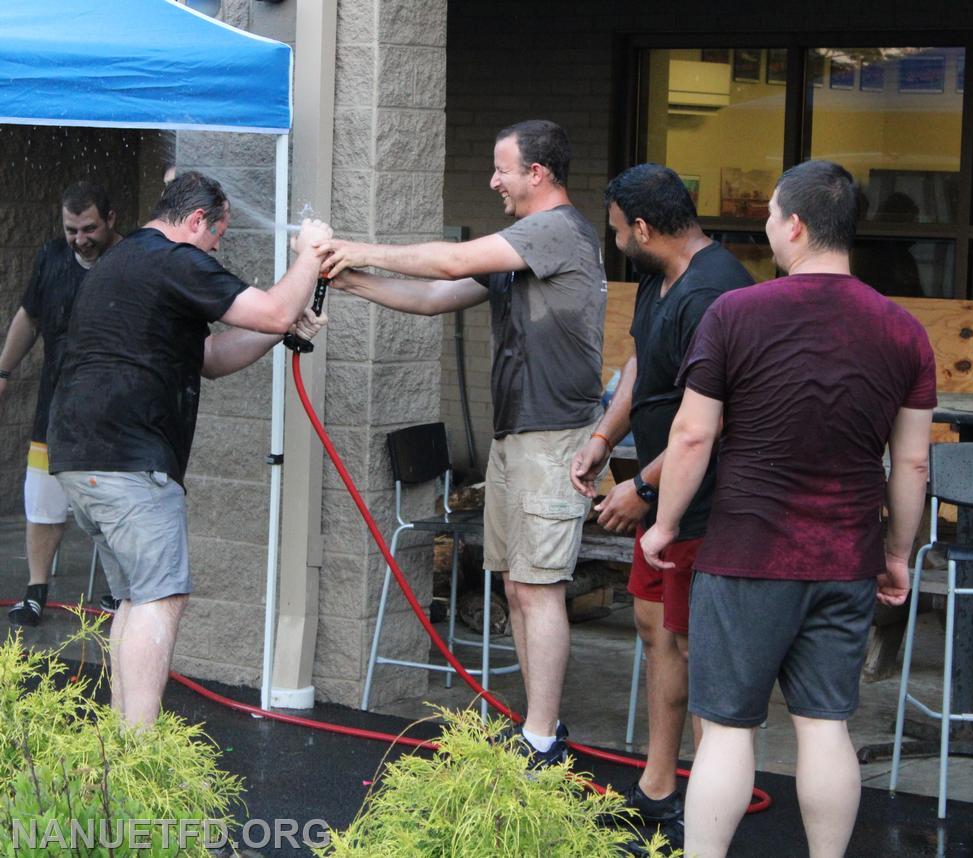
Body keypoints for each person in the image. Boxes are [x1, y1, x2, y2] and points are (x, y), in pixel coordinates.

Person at [640, 160, 936, 858]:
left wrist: (665, 523)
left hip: (746, 554)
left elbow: (691, 433)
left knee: (731, 727)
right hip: (845, 556)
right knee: (825, 726)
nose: (768, 228)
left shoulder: (735, 313)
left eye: (772, 216)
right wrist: (896, 553)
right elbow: (914, 461)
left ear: (795, 225)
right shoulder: (902, 330)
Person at [318, 119, 607, 766]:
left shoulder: (555, 232)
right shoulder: (519, 250)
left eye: (502, 168)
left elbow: (449, 259)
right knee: (518, 585)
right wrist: (348, 277)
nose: (493, 180)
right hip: (518, 438)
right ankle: (539, 732)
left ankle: (541, 738)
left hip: (552, 439)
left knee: (540, 587)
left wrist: (352, 244)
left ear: (538, 174)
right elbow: (433, 297)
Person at [47, 171, 332, 728]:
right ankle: (140, 750)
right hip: (129, 458)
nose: (216, 249)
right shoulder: (176, 258)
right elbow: (272, 308)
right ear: (196, 220)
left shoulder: (128, 260)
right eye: (216, 236)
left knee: (136, 597)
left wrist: (282, 327)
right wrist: (311, 254)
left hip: (83, 456)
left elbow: (210, 356)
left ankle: (119, 747)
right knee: (161, 597)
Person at [570, 163, 753, 849]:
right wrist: (601, 438)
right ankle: (656, 786)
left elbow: (713, 420)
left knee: (695, 647)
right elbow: (644, 367)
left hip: (706, 507)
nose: (617, 242)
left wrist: (643, 488)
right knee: (655, 632)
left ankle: (709, 803)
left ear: (643, 228)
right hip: (661, 505)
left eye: (618, 231)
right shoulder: (657, 280)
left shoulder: (719, 293)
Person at [2, 181, 122, 627]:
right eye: (72, 229)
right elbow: (29, 316)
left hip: (114, 409)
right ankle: (35, 592)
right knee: (42, 499)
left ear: (110, 220)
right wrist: (2, 371)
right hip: (55, 403)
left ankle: (121, 594)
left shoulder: (129, 260)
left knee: (111, 503)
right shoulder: (52, 257)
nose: (80, 239)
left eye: (89, 228)